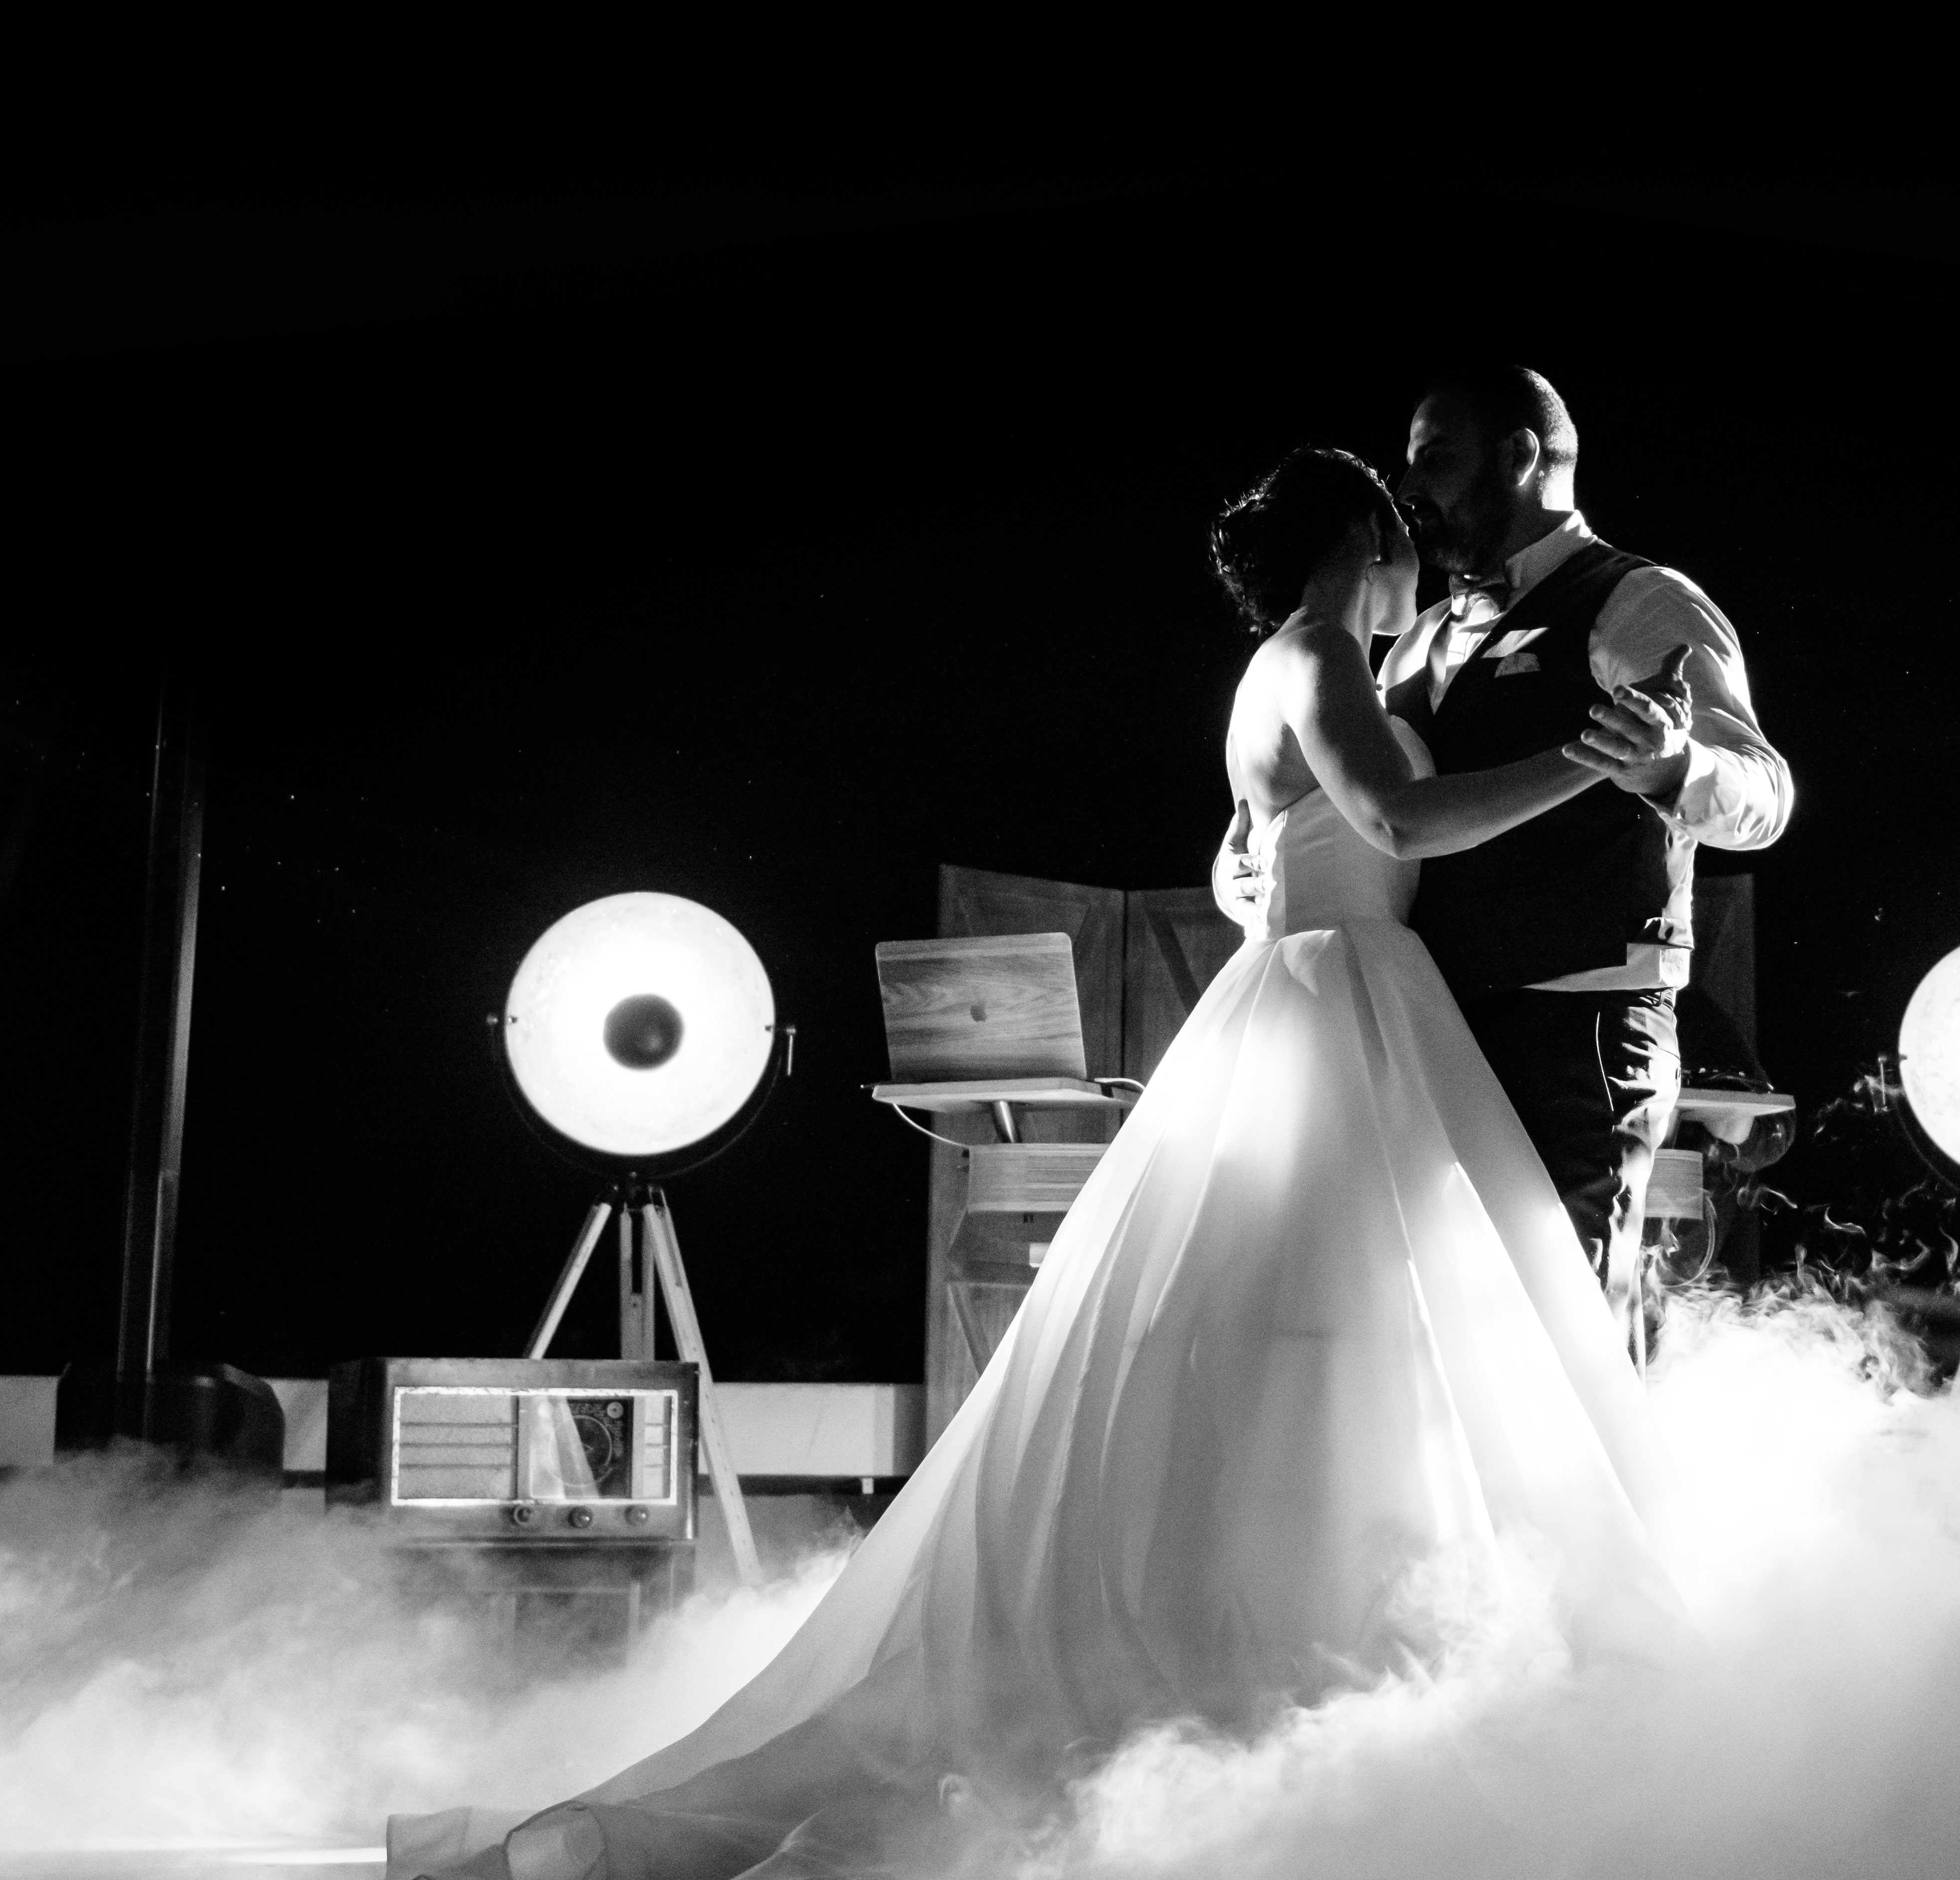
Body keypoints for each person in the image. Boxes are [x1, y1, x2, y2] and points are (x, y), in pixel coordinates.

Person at [391, 449, 1683, 1880]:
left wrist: (1260, 866)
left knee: (1340, 1360)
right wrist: (1587, 757)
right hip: (1336, 1014)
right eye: (1401, 544)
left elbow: (1264, 845)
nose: (1417, 576)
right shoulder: (1314, 650)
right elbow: (1390, 822)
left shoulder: (1303, 661)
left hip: (1336, 1003)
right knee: (1352, 1344)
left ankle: (1309, 1657)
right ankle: (1289, 1674)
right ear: (1362, 544)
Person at [1219, 366, 1793, 1352]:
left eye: (1433, 459)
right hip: (1424, 1038)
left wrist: (1673, 764)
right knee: (1425, 1355)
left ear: (1521, 457)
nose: (1409, 492)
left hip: (1574, 1026)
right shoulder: (1410, 643)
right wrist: (1250, 865)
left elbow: (1765, 794)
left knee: (1558, 1342)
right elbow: (1343, 810)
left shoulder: (1637, 602)